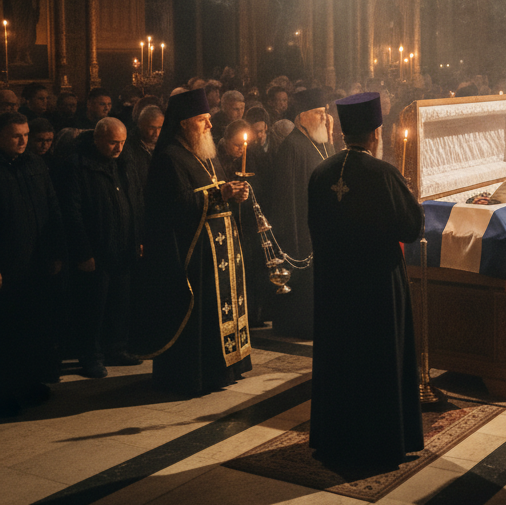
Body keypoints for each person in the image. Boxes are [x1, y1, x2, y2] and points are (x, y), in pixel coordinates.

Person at [306, 92, 424, 471]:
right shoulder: (383, 174)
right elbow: (411, 229)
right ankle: (381, 440)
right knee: (377, 361)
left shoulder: (321, 173)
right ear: (375, 134)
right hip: (377, 289)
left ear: (344, 133)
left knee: (341, 361)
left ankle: (336, 437)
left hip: (334, 288)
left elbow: (314, 228)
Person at [131, 89, 252, 397]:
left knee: (220, 310)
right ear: (184, 123)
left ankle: (225, 367)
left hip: (218, 251)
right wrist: (219, 194)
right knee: (200, 315)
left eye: (209, 119)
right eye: (202, 120)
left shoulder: (204, 153)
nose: (210, 125)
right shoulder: (170, 157)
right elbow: (172, 205)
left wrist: (234, 193)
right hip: (193, 252)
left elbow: (217, 190)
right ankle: (198, 374)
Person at [58, 117, 143, 377]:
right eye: (113, 142)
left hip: (123, 246)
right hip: (97, 249)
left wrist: (137, 238)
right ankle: (90, 356)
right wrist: (84, 252)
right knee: (93, 308)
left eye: (122, 142)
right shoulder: (77, 165)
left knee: (120, 303)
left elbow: (134, 200)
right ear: (97, 139)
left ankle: (116, 348)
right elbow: (72, 212)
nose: (119, 148)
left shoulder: (123, 162)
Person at [0, 111, 65, 414]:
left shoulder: (35, 165)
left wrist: (56, 252)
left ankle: (30, 383)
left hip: (37, 263)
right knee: (8, 331)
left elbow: (52, 208)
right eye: (16, 135)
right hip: (9, 265)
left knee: (33, 327)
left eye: (26, 135)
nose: (23, 141)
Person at [268, 88, 333, 337]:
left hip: (322, 225)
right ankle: (299, 325)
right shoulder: (292, 146)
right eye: (318, 113)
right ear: (302, 117)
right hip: (302, 227)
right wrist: (293, 235)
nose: (324, 117)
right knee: (304, 283)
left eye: (325, 112)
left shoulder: (321, 143)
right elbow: (286, 198)